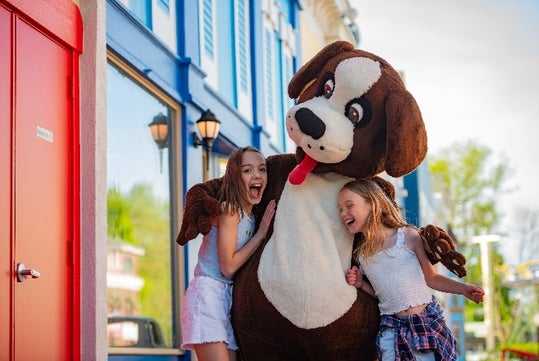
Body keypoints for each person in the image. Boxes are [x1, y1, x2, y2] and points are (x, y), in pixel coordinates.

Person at [338, 179, 484, 361]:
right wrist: (361, 284)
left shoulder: (407, 237)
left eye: (349, 205)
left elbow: (432, 278)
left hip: (426, 323)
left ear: (372, 203)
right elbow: (382, 295)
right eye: (340, 209)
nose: (343, 213)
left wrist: (463, 289)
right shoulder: (362, 256)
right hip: (392, 330)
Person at [181, 146, 276, 361]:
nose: (257, 175)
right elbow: (228, 267)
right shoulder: (229, 210)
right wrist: (260, 235)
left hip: (227, 298)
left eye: (262, 169)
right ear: (235, 176)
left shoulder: (250, 216)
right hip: (208, 295)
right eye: (247, 170)